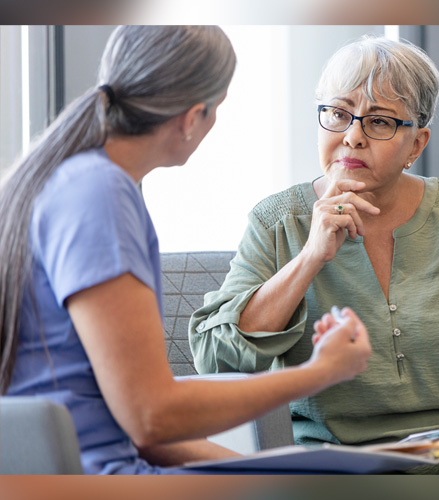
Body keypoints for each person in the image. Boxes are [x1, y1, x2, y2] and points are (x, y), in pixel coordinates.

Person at [0, 25, 372, 475]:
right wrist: (320, 372)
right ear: (193, 116)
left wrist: (276, 472)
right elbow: (152, 415)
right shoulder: (100, 195)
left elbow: (136, 426)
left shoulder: (76, 181)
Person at [189, 34, 439, 475]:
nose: (352, 137)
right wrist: (310, 257)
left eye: (379, 122)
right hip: (335, 470)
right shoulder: (277, 222)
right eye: (337, 114)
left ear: (416, 144)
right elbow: (215, 361)